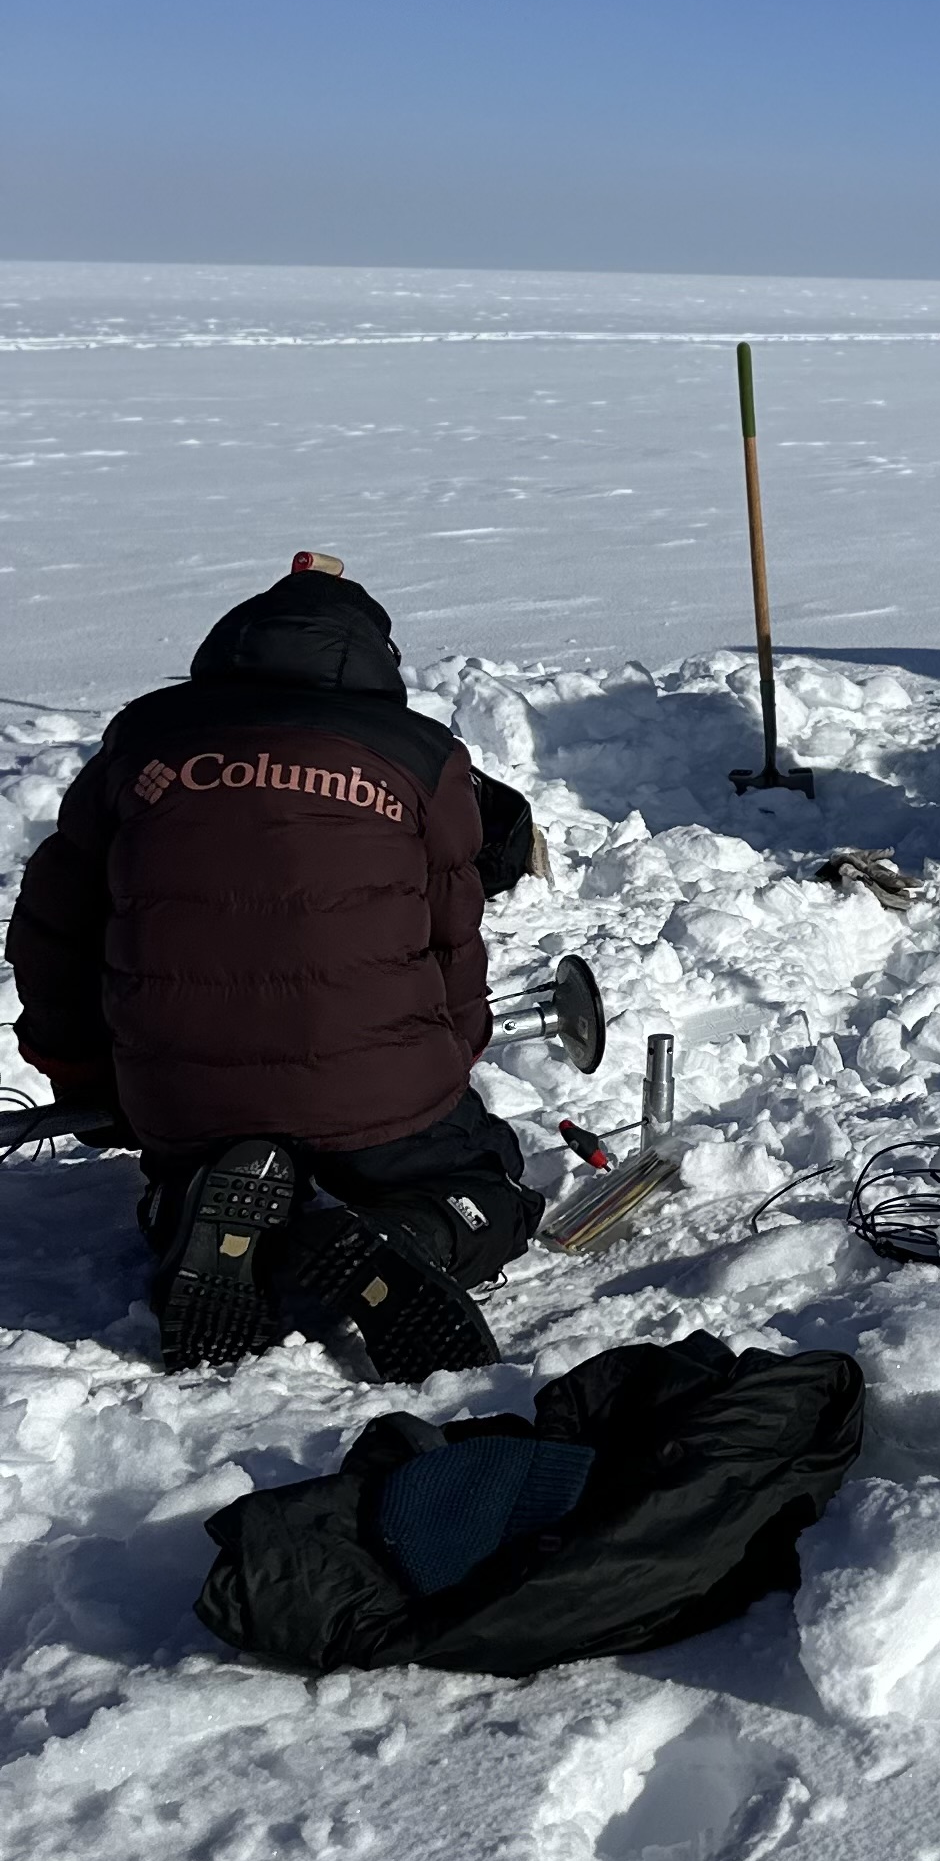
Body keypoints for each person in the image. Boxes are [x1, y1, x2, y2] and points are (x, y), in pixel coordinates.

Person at [4, 552, 546, 1378]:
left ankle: (196, 1213)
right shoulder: (421, 756)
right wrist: (450, 1061)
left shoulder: (142, 741)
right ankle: (413, 1232)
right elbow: (453, 937)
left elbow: (54, 926)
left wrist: (83, 1076)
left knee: (189, 1166)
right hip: (376, 1089)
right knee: (489, 1179)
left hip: (182, 1089)